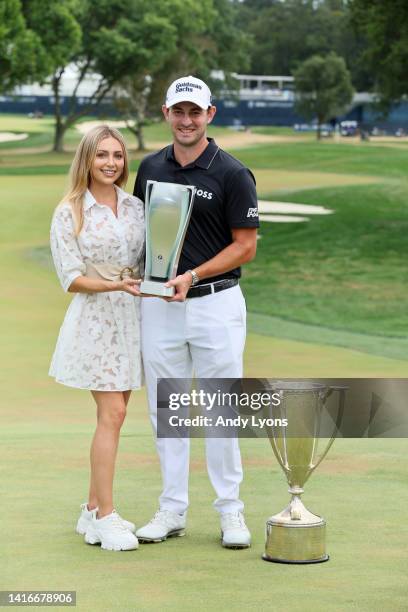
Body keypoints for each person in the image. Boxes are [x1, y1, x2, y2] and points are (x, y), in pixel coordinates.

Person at [133, 76, 259, 548]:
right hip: (160, 307)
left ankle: (231, 512)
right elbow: (143, 235)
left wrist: (194, 275)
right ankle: (172, 509)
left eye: (195, 112)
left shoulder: (231, 173)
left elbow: (244, 247)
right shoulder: (148, 168)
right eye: (178, 111)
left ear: (211, 115)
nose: (186, 121)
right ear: (166, 113)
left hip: (215, 304)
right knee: (167, 410)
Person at [49, 125, 144, 551]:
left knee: (118, 413)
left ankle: (90, 509)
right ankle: (106, 517)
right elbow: (71, 278)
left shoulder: (137, 206)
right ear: (86, 159)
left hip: (134, 318)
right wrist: (115, 286)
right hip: (95, 320)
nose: (110, 163)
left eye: (117, 156)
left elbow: (148, 260)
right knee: (113, 415)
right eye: (102, 155)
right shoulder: (70, 210)